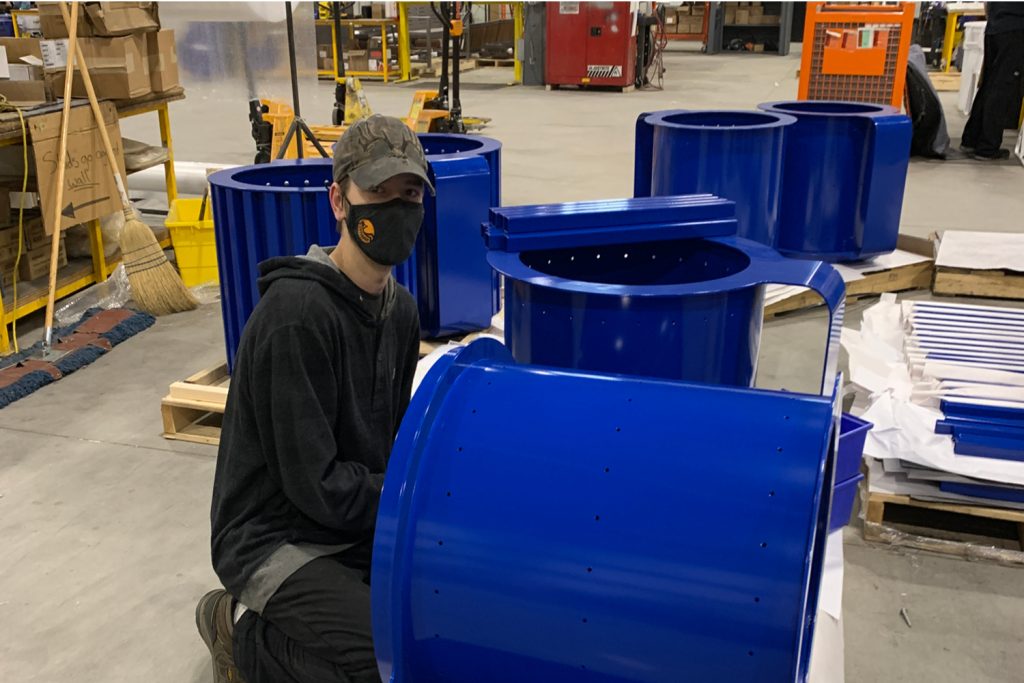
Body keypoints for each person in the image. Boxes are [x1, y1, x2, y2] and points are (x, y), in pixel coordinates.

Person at [196, 115, 430, 683]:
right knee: (383, 662)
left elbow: (388, 449)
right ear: (338, 202)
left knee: (440, 621)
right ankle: (240, 633)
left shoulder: (399, 313)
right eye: (377, 192)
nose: (395, 209)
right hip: (276, 537)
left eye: (410, 193)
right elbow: (316, 489)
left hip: (347, 526)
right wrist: (407, 496)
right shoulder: (296, 316)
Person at [961, 2, 1024, 160]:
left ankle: (971, 139)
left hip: (994, 27)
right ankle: (987, 147)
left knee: (989, 83)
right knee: (1003, 86)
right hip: (1014, 28)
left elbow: (987, 4)